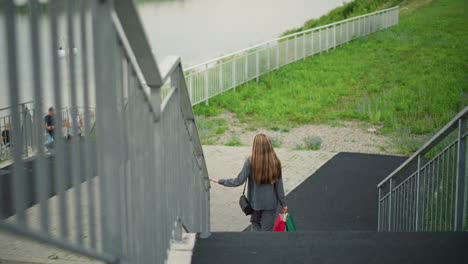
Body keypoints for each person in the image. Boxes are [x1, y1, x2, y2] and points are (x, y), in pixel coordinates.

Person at [209, 134, 287, 232]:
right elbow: (279, 187)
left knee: (255, 224)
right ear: (269, 145)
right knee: (267, 231)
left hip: (255, 202)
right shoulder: (276, 162)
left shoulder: (250, 161)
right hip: (270, 204)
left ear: (255, 145)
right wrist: (283, 204)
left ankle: (254, 245)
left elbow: (238, 181)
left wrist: (220, 181)